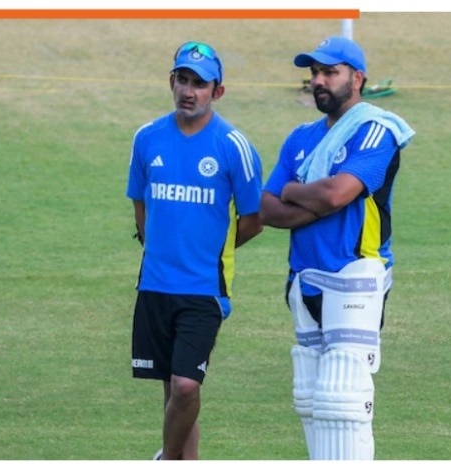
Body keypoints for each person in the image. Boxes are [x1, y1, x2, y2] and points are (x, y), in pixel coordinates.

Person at [259, 36, 415, 460]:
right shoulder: (299, 138)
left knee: (343, 399)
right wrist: (310, 197)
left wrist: (295, 189)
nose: (318, 81)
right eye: (314, 74)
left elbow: (338, 193)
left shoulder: (375, 129)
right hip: (304, 277)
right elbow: (268, 209)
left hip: (354, 273)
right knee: (312, 400)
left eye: (330, 72)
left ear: (357, 78)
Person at [125, 41, 264, 460]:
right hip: (155, 285)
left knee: (187, 387)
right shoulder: (147, 139)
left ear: (216, 92)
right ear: (171, 81)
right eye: (183, 80)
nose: (189, 90)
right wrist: (165, 249)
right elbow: (140, 208)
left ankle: (166, 460)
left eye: (199, 84)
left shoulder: (233, 146)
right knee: (173, 389)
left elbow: (253, 220)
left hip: (204, 288)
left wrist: (208, 251)